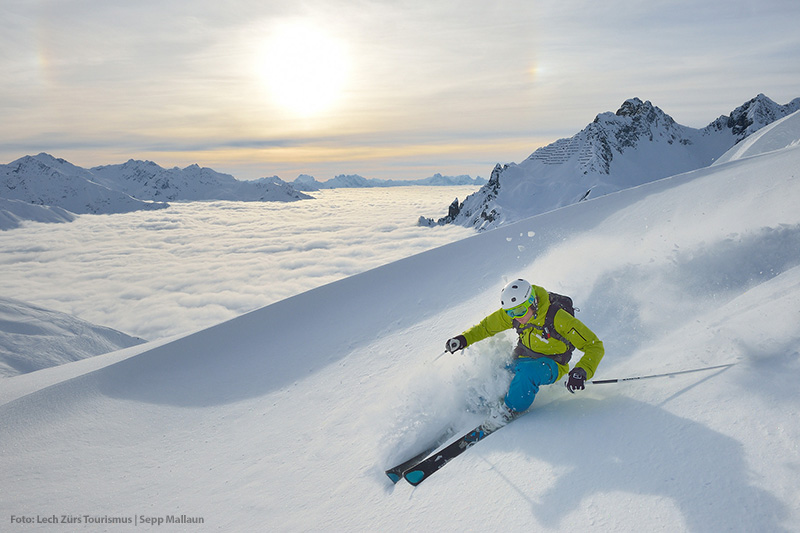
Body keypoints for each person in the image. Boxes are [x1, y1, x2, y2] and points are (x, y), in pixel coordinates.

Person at [445, 279, 604, 418]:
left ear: (533, 302)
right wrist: (464, 339)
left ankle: (510, 409)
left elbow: (594, 346)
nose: (516, 317)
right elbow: (486, 327)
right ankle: (472, 408)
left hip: (552, 364)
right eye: (510, 312)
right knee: (499, 374)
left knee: (528, 375)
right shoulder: (515, 313)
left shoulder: (558, 318)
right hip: (523, 358)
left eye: (520, 311)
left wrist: (581, 371)